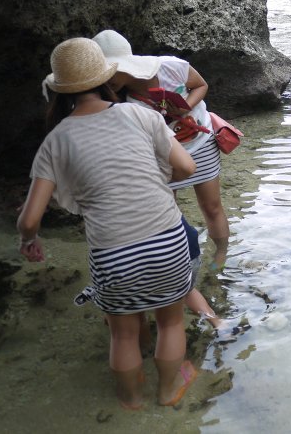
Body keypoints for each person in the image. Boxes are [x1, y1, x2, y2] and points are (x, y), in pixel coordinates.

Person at [17, 37, 199, 409]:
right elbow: (187, 167)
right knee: (170, 323)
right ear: (106, 77)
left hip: (113, 253)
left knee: (124, 335)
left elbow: (30, 219)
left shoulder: (55, 141)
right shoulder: (141, 115)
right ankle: (167, 393)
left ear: (58, 91)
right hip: (167, 239)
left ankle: (131, 400)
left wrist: (28, 241)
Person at [92, 30, 231, 282]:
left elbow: (201, 85)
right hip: (165, 155)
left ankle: (220, 256)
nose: (107, 80)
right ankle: (179, 262)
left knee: (211, 206)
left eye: (111, 71)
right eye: (101, 75)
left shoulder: (170, 66)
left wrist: (186, 106)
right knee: (169, 211)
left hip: (200, 142)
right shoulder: (118, 100)